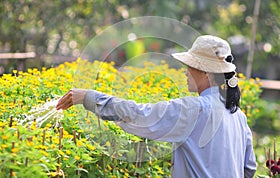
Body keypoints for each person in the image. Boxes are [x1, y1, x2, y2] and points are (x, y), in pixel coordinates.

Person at [56, 35, 257, 178]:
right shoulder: (238, 116)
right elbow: (249, 168)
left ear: (205, 73)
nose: (186, 72)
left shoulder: (193, 110)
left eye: (190, 67)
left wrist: (89, 97)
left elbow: (138, 115)